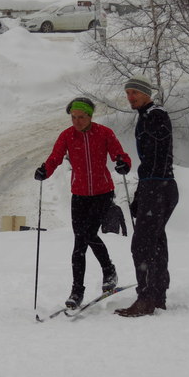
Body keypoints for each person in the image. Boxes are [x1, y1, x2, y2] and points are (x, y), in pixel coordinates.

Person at [33, 97, 131, 309]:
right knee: (81, 240)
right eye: (73, 117)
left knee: (85, 235)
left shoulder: (104, 133)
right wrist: (44, 171)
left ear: (90, 116)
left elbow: (119, 154)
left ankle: (97, 277)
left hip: (103, 193)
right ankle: (85, 285)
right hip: (79, 195)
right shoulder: (67, 136)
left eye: (81, 117)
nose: (76, 121)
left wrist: (123, 163)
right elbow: (55, 158)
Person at [115, 75, 178, 317]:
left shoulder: (156, 115)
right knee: (156, 241)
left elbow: (158, 155)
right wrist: (140, 193)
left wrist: (148, 190)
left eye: (134, 93)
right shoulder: (146, 116)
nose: (130, 97)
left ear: (146, 94)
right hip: (154, 185)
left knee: (142, 244)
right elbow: (150, 159)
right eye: (128, 93)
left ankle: (146, 298)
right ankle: (158, 295)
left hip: (159, 186)